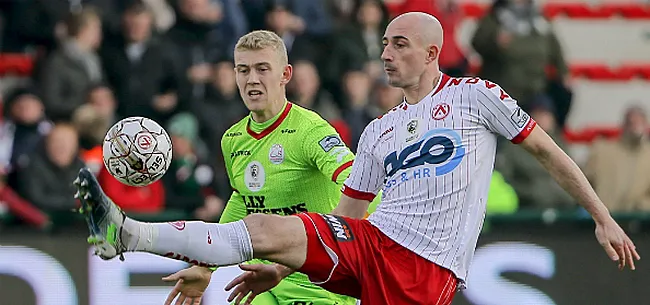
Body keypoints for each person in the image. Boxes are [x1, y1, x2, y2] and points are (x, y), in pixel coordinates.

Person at [74, 13, 639, 305]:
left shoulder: (475, 98)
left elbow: (546, 150)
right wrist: (285, 259)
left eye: (398, 44)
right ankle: (126, 234)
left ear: (432, 53)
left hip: (426, 268)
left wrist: (601, 215)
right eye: (385, 43)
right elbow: (349, 214)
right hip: (374, 245)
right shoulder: (379, 131)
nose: (385, 53)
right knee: (267, 226)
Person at [89, 30, 360, 305]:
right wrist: (206, 265)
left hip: (317, 283)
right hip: (258, 282)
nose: (252, 79)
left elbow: (359, 187)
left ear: (285, 74)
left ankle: (133, 233)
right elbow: (243, 200)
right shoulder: (233, 139)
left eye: (262, 69)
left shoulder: (311, 131)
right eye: (243, 70)